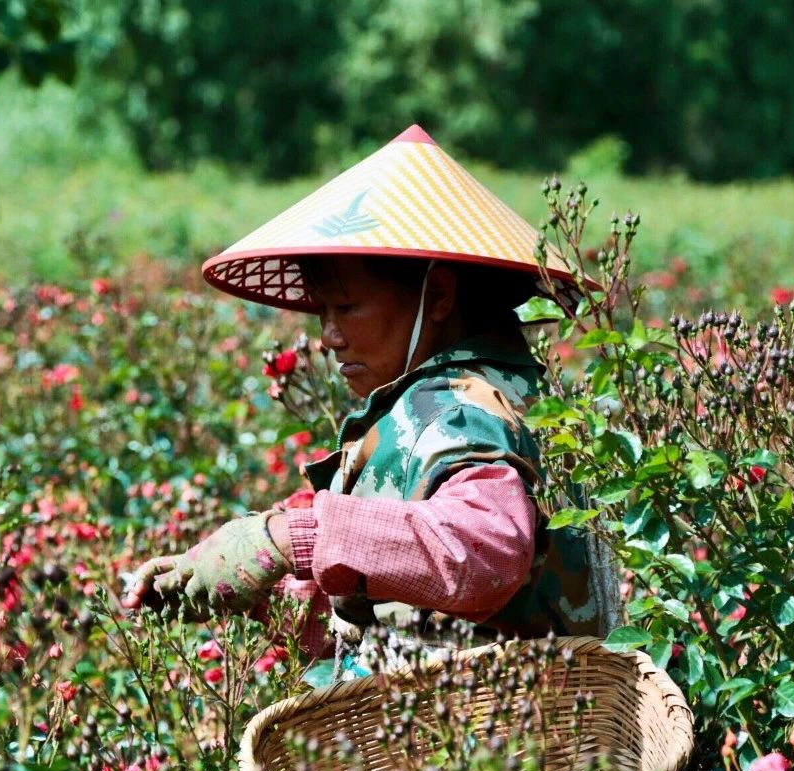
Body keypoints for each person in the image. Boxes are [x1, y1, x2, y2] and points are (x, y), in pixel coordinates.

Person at [123, 125, 620, 679]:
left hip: (504, 734)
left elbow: (485, 551)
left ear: (440, 296)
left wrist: (291, 537)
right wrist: (242, 582)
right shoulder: (473, 395)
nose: (328, 335)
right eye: (321, 312)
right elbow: (388, 617)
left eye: (348, 307)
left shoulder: (463, 411)